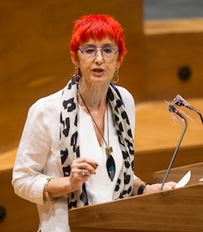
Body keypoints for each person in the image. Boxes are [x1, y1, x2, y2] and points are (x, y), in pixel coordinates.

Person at [12, 14, 176, 231]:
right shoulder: (46, 111)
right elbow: (22, 180)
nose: (99, 59)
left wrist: (146, 189)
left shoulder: (124, 102)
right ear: (75, 57)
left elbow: (118, 175)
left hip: (116, 224)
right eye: (89, 50)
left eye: (108, 50)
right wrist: (68, 184)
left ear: (119, 59)